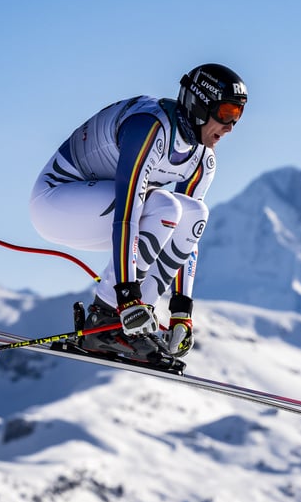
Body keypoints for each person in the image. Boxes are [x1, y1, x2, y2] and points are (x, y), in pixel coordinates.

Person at [28, 63, 248, 364]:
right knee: (164, 206)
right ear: (199, 104)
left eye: (238, 116)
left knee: (195, 212)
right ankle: (103, 321)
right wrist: (125, 298)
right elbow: (129, 211)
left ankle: (131, 328)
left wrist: (181, 314)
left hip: (99, 211)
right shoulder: (150, 127)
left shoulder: (202, 158)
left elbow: (187, 235)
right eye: (226, 113)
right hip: (56, 202)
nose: (230, 127)